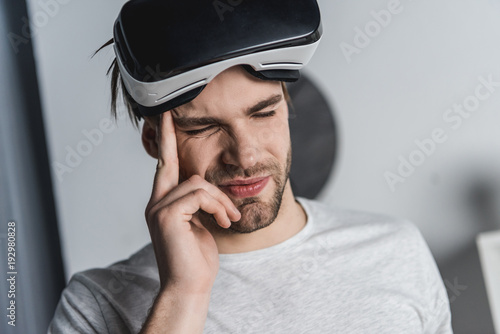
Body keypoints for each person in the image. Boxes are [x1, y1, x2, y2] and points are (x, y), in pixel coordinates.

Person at [49, 0, 453, 333]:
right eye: (204, 127)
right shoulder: (97, 305)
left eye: (263, 114)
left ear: (287, 108)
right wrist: (184, 296)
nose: (245, 155)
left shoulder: (397, 252)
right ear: (156, 143)